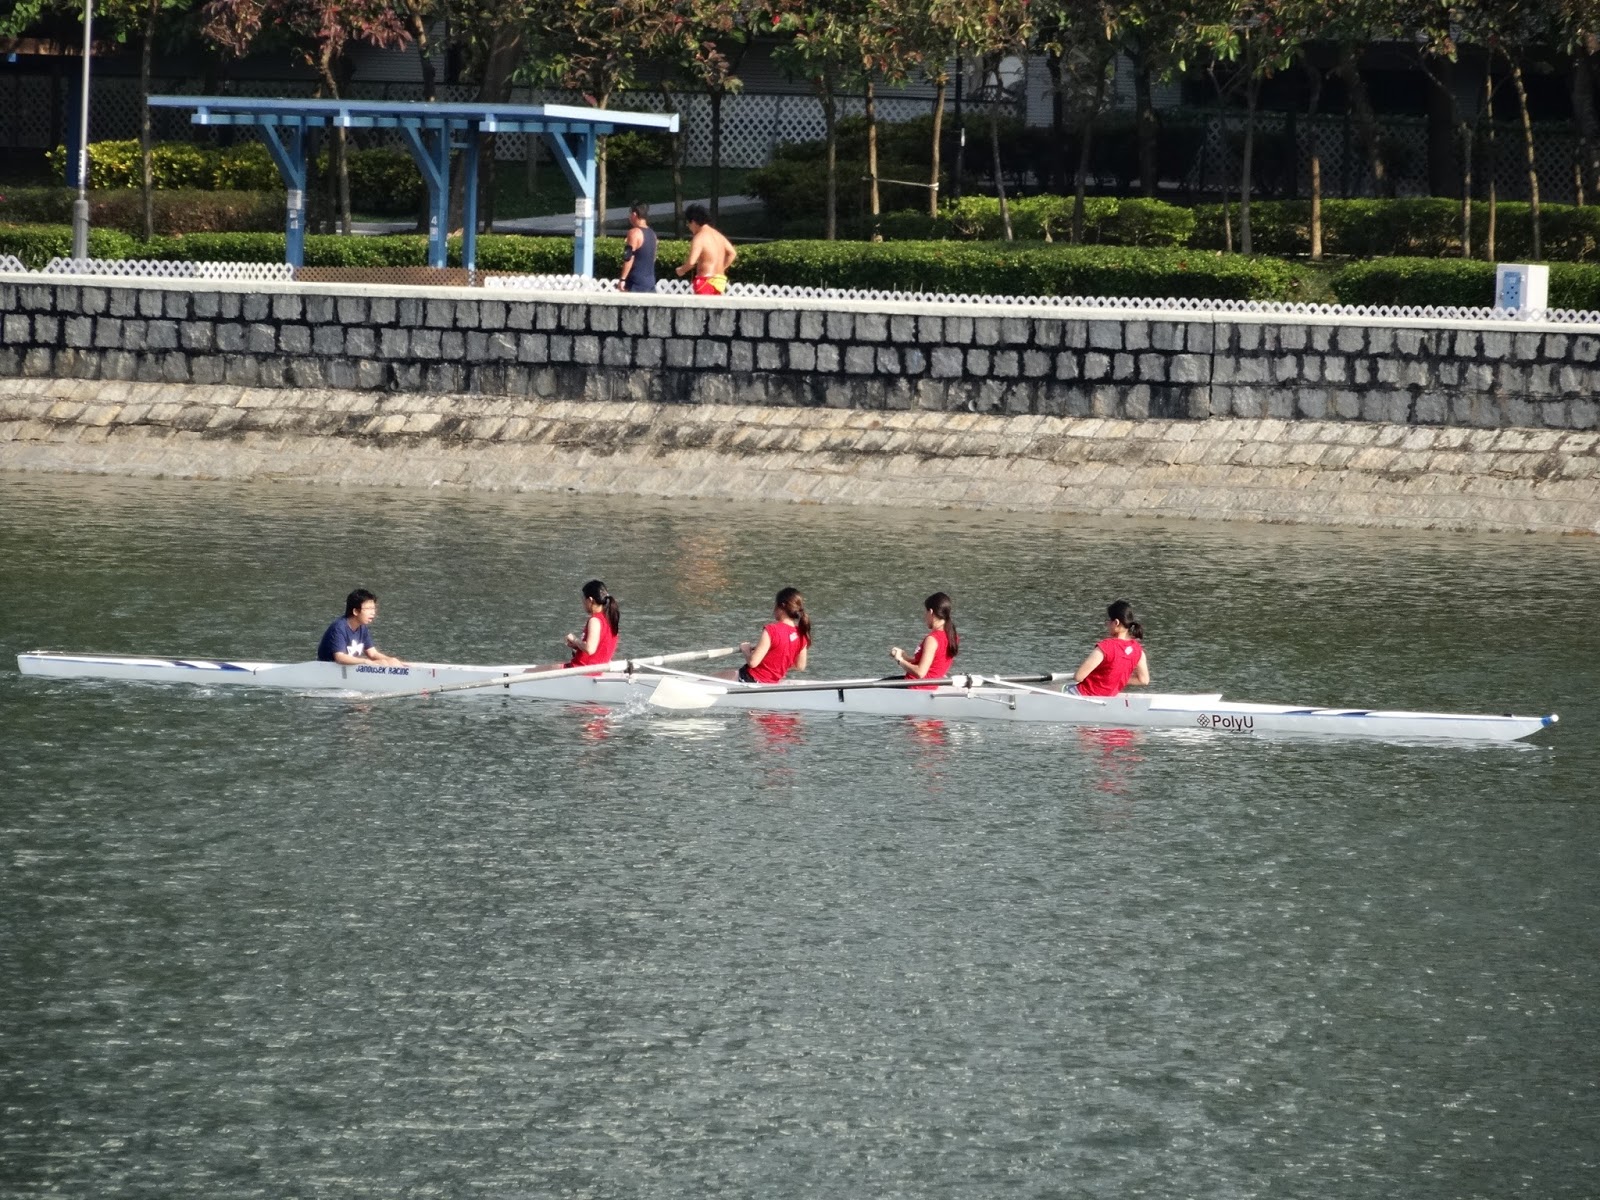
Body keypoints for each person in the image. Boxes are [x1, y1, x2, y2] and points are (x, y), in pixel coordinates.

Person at [728, 587, 810, 684]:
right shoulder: (802, 634)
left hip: (751, 679)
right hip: (772, 682)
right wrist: (778, 666)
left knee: (710, 680)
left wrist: (745, 650)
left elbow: (753, 663)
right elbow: (800, 665)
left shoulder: (772, 630)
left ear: (781, 606)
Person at [1069, 600, 1149, 697]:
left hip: (1082, 694)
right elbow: (1144, 680)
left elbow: (1079, 677)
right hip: (1107, 700)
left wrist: (1110, 678)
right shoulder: (1138, 651)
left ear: (1116, 622)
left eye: (1108, 621)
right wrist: (1116, 679)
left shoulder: (1105, 647)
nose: (1107, 624)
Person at [890, 592, 959, 691]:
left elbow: (920, 672)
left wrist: (899, 661)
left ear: (931, 612)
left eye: (925, 612)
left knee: (876, 688)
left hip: (916, 688)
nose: (924, 616)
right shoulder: (952, 636)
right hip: (929, 687)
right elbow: (932, 664)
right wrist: (905, 657)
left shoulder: (932, 639)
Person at [317, 588, 405, 666]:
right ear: (355, 611)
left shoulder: (362, 627)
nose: (373, 613)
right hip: (327, 669)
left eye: (374, 609)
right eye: (369, 609)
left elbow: (373, 654)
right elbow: (340, 658)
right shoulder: (339, 628)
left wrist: (389, 660)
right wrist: (367, 662)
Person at [675, 202, 738, 296]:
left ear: (693, 222)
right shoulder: (718, 235)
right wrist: (722, 268)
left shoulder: (699, 237)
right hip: (719, 281)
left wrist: (681, 270)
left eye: (688, 224)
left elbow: (691, 262)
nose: (689, 227)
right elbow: (732, 253)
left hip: (705, 282)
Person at [565, 580, 621, 668]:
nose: (583, 603)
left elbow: (590, 649)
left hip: (582, 671)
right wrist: (578, 646)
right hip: (597, 670)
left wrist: (574, 639)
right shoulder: (610, 619)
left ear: (590, 600)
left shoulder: (594, 621)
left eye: (584, 600)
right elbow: (600, 649)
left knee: (537, 671)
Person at [619, 201, 657, 294]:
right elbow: (654, 257)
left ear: (634, 214)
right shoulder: (653, 234)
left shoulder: (634, 233)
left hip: (636, 282)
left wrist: (623, 279)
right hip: (650, 281)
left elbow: (628, 257)